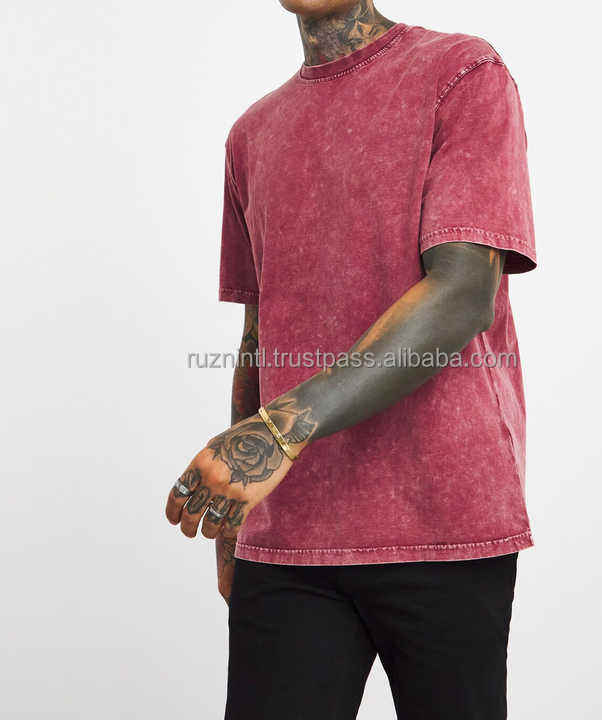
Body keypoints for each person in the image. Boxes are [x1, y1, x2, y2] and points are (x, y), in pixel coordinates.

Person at [165, 1, 536, 717]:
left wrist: (277, 429)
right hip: (290, 533)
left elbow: (463, 294)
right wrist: (236, 523)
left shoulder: (462, 72)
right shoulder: (252, 134)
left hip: (441, 527)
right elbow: (259, 331)